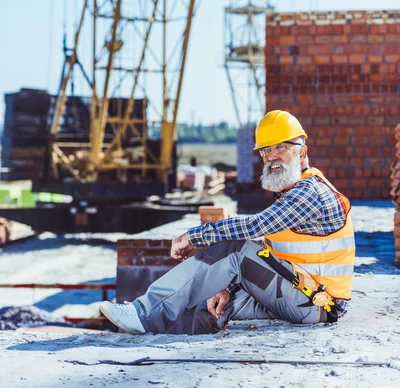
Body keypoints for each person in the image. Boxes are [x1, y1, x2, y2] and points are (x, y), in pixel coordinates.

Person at [100, 110, 355, 334]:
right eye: (266, 150)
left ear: (302, 154)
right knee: (210, 307)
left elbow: (253, 228)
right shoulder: (288, 195)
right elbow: (271, 256)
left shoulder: (310, 193)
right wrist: (228, 285)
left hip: (318, 305)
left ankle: (144, 314)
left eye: (281, 147)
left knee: (235, 247)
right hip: (300, 296)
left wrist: (194, 236)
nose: (272, 156)